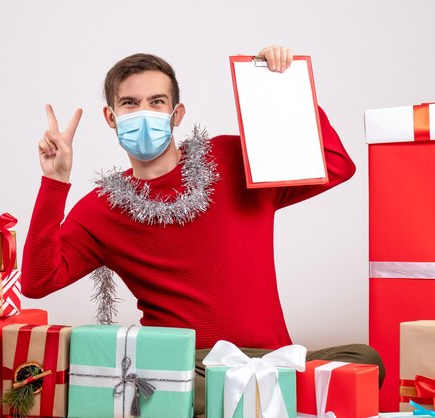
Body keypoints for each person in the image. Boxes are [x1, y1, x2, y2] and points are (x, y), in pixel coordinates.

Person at [22, 45, 384, 417]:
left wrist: (285, 87)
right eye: (130, 103)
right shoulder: (102, 208)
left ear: (176, 114)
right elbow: (37, 281)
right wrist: (54, 181)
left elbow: (337, 164)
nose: (144, 113)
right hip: (190, 368)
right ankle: (264, 399)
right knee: (161, 387)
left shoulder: (230, 158)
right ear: (111, 118)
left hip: (272, 358)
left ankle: (252, 394)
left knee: (364, 360)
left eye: (157, 101)